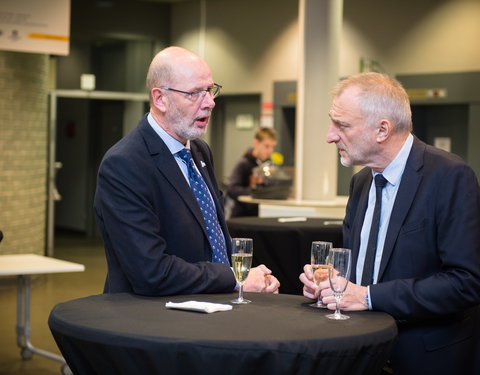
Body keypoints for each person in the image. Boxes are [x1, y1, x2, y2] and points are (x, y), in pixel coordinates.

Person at [299, 72, 480, 375]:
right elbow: (354, 267)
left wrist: (368, 297)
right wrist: (331, 282)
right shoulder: (360, 182)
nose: (329, 136)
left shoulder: (449, 176)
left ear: (382, 129)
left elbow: (467, 282)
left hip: (425, 358)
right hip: (362, 353)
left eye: (342, 125)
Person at [94, 46, 280, 297]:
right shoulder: (124, 164)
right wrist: (235, 280)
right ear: (160, 99)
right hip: (154, 322)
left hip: (209, 309)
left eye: (210, 90)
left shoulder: (200, 151)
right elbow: (151, 272)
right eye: (195, 93)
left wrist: (244, 280)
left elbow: (209, 235)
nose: (210, 103)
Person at [226, 127, 277, 217]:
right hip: (242, 217)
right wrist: (255, 191)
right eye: (267, 146)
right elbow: (232, 189)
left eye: (273, 147)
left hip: (262, 215)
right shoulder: (243, 164)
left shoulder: (270, 166)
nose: (270, 151)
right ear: (256, 142)